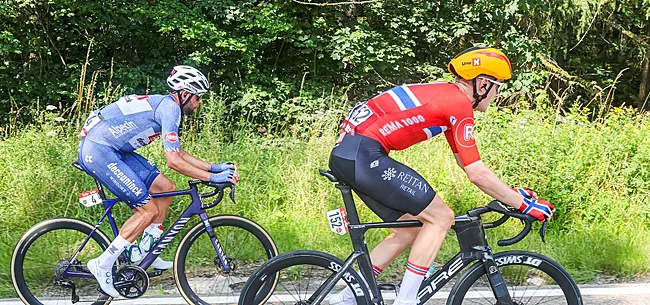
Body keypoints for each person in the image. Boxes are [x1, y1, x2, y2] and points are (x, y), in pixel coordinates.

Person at [328, 46, 555, 305]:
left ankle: (347, 300)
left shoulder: (447, 98)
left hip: (351, 155)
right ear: (482, 84)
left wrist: (512, 195)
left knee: (407, 232)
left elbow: (465, 162)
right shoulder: (457, 103)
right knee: (441, 217)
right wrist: (525, 205)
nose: (498, 94)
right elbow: (476, 174)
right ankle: (407, 301)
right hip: (364, 155)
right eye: (497, 87)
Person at [77, 65, 240, 297]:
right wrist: (212, 178)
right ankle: (103, 263)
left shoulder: (167, 106)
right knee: (147, 210)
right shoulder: (170, 109)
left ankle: (144, 252)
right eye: (197, 97)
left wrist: (213, 167)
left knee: (166, 188)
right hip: (100, 151)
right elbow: (173, 161)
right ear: (184, 94)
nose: (199, 103)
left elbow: (178, 152)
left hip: (114, 149)